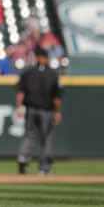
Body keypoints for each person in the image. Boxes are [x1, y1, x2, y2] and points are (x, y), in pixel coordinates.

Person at [15, 47, 63, 175]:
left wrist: (19, 107)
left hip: (31, 109)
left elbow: (20, 93)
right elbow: (57, 97)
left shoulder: (28, 72)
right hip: (45, 111)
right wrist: (57, 112)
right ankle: (44, 167)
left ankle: (23, 158)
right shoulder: (53, 74)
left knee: (30, 136)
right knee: (46, 138)